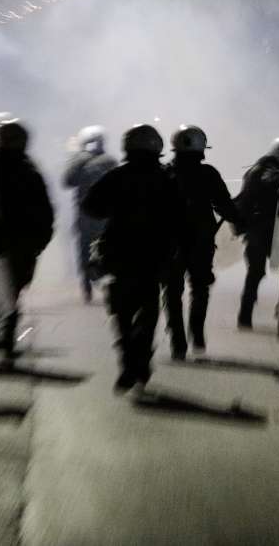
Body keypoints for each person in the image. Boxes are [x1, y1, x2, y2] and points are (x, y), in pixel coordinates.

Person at [81, 124, 184, 392]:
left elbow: (91, 206)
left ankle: (129, 358)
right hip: (154, 254)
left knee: (121, 310)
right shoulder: (166, 178)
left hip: (119, 252)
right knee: (148, 308)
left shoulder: (117, 176)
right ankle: (141, 357)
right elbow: (180, 217)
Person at [165, 124, 243, 359]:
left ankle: (178, 340)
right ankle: (196, 332)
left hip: (170, 243)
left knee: (172, 291)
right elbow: (224, 205)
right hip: (200, 241)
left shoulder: (164, 173)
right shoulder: (208, 174)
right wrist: (241, 221)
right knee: (200, 288)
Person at [0, 117, 54, 363]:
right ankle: (5, 336)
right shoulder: (29, 172)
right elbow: (44, 212)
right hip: (20, 244)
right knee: (12, 292)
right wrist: (40, 241)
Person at [233, 137, 279, 328]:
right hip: (270, 230)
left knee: (256, 273)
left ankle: (245, 316)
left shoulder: (257, 169)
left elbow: (244, 200)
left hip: (258, 229)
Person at [62, 125, 117, 303]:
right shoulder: (110, 161)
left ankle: (87, 285)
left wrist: (75, 159)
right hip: (106, 215)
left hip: (86, 215)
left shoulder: (79, 160)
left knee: (84, 250)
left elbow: (67, 181)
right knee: (107, 249)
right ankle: (105, 281)